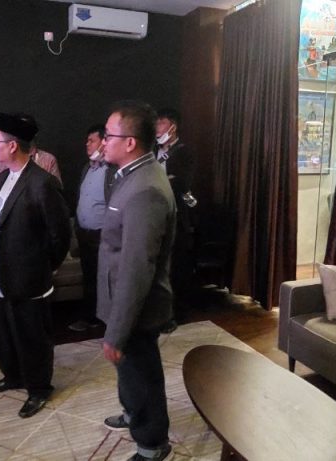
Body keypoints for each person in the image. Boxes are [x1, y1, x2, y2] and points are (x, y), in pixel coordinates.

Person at [98, 101, 177, 461]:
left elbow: (136, 267)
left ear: (130, 142)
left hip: (137, 306)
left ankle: (152, 444)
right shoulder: (132, 174)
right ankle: (132, 413)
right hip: (124, 300)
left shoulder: (145, 188)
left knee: (142, 376)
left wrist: (116, 331)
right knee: (130, 371)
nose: (103, 142)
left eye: (109, 135)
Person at [0, 112, 71, 419]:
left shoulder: (42, 182)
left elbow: (60, 235)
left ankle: (39, 388)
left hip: (28, 278)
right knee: (5, 332)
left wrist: (43, 267)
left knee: (32, 336)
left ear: (12, 146)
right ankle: (14, 376)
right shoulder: (4, 177)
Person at [68, 124, 116, 332]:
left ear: (104, 142)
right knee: (89, 278)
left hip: (103, 235)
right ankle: (90, 318)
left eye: (91, 140)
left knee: (105, 279)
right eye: (86, 140)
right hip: (84, 234)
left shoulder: (112, 171)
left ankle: (108, 322)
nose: (87, 144)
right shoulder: (86, 169)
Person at [154, 108, 195, 331]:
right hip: (156, 217)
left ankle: (176, 314)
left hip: (177, 217)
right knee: (160, 268)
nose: (157, 128)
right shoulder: (153, 151)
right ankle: (160, 312)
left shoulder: (183, 151)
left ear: (173, 126)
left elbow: (181, 183)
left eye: (161, 123)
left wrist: (164, 181)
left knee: (176, 268)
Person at [0, 115, 61, 186]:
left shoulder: (48, 160)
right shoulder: (6, 158)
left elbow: (56, 188)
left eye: (25, 129)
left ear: (35, 133)